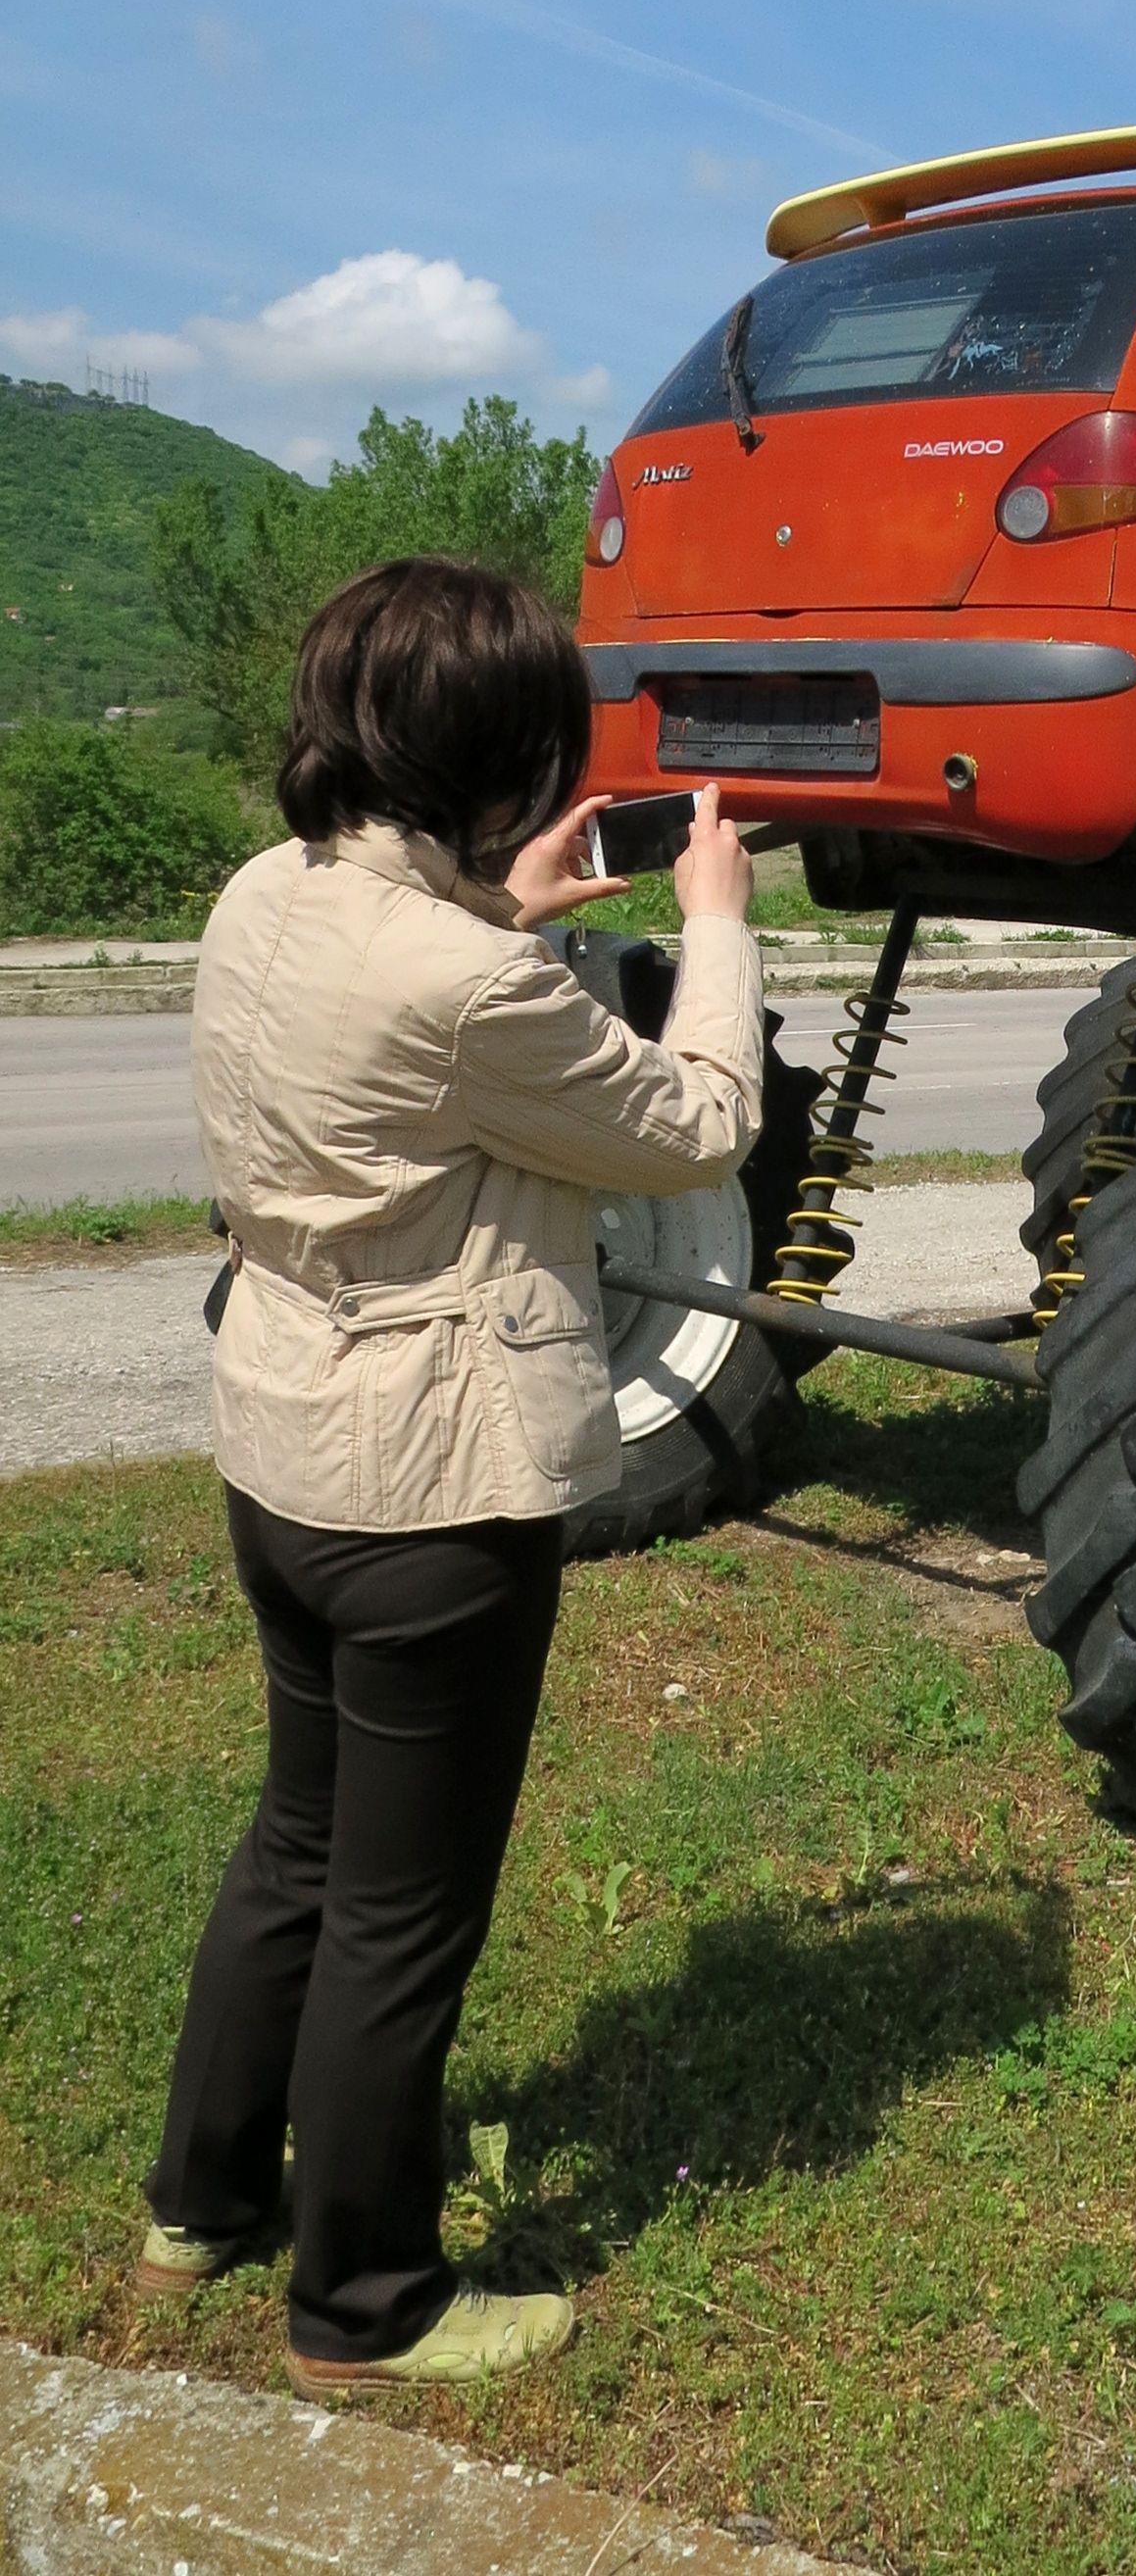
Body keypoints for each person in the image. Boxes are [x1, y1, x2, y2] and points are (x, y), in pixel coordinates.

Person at [135, 555, 763, 2406]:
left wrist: (512, 904)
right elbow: (701, 1121)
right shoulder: (469, 984)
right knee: (402, 1916)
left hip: (284, 1448)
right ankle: (367, 2303)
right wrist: (713, 919)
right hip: (431, 1496)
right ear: (498, 752)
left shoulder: (272, 894)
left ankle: (201, 2202)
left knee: (298, 1852)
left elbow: (420, 1012)